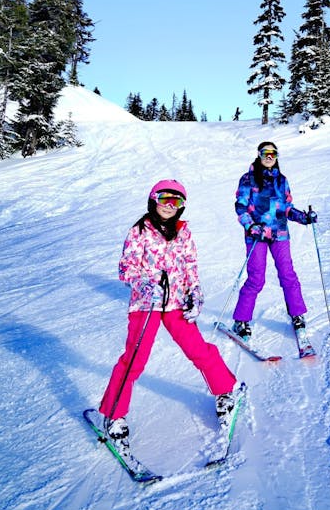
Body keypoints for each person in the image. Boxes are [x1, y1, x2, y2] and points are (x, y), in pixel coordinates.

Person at [98, 179, 242, 447]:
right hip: (146, 303)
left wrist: (195, 294)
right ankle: (114, 414)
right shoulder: (140, 230)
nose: (169, 205)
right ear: (153, 199)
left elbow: (190, 267)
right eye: (164, 198)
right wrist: (144, 284)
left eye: (176, 201)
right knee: (134, 358)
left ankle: (225, 390)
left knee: (197, 348)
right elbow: (125, 268)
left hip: (176, 302)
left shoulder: (184, 232)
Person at [231, 142, 317, 340]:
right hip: (257, 235)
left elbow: (287, 208)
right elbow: (240, 207)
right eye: (265, 153)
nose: (269, 156)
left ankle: (297, 315)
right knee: (256, 278)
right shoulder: (248, 179)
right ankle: (241, 320)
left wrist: (304, 217)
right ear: (259, 155)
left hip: (280, 234)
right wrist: (251, 226)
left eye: (273, 153)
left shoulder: (282, 180)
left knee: (288, 274)